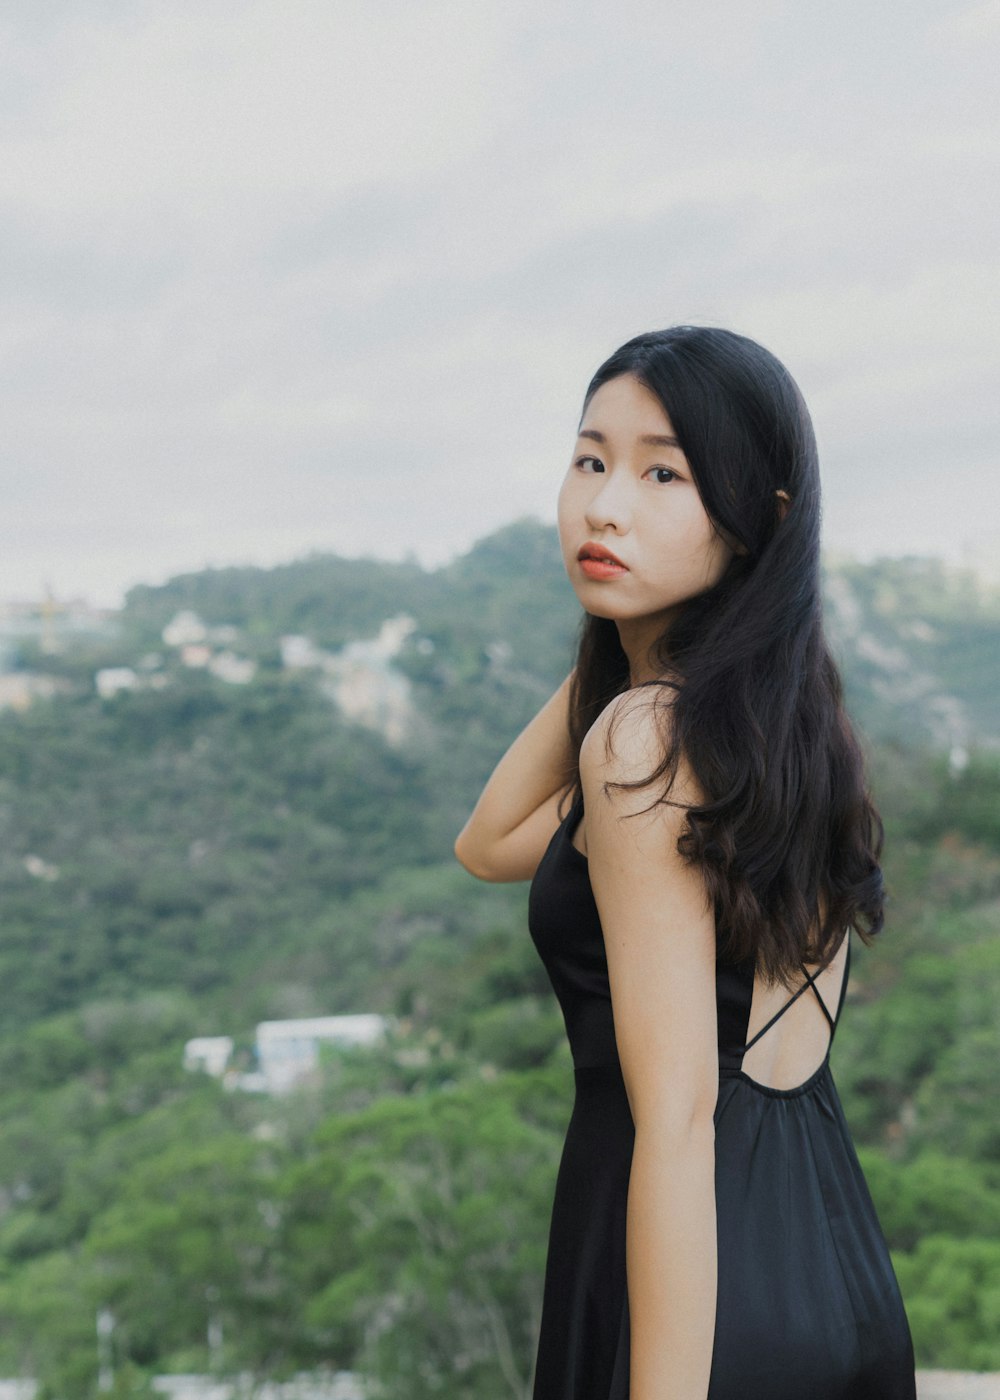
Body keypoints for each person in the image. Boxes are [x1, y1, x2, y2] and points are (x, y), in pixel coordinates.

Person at [454, 326, 917, 1400]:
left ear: (760, 518)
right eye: (589, 459)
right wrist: (618, 648)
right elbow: (490, 845)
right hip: (832, 1262)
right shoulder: (788, 729)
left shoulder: (640, 748)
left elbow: (676, 1116)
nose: (604, 504)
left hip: (690, 1288)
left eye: (664, 471)